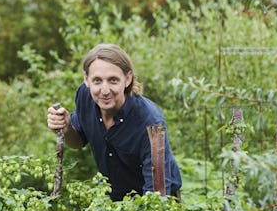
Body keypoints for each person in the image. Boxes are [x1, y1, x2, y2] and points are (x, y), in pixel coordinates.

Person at [46, 44, 182, 200]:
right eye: (97, 80)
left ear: (127, 79)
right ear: (86, 79)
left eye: (113, 80)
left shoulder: (152, 123)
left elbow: (158, 193)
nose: (104, 91)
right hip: (115, 201)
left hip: (156, 201)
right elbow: (77, 142)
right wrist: (67, 127)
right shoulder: (85, 96)